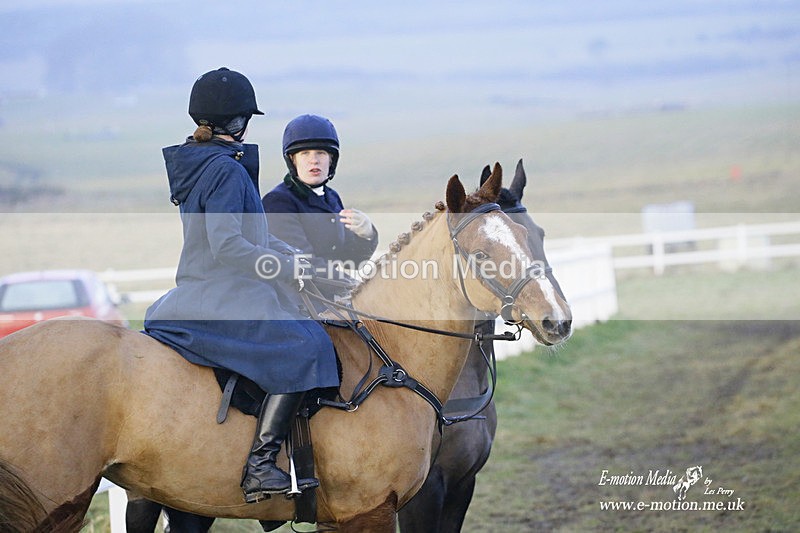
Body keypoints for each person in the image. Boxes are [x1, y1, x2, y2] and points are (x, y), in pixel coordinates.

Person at [143, 68, 339, 503]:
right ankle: (261, 465)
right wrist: (287, 272)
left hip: (213, 287)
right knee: (307, 346)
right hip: (224, 293)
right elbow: (229, 246)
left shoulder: (210, 164)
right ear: (238, 122)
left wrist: (301, 264)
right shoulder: (226, 172)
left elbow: (258, 239)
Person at [261, 114, 377, 299]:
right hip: (297, 302)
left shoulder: (331, 197)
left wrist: (367, 234)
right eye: (304, 153)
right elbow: (305, 263)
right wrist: (354, 286)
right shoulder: (278, 202)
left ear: (331, 159)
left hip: (332, 297)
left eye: (321, 153)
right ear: (293, 160)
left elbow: (351, 261)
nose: (313, 160)